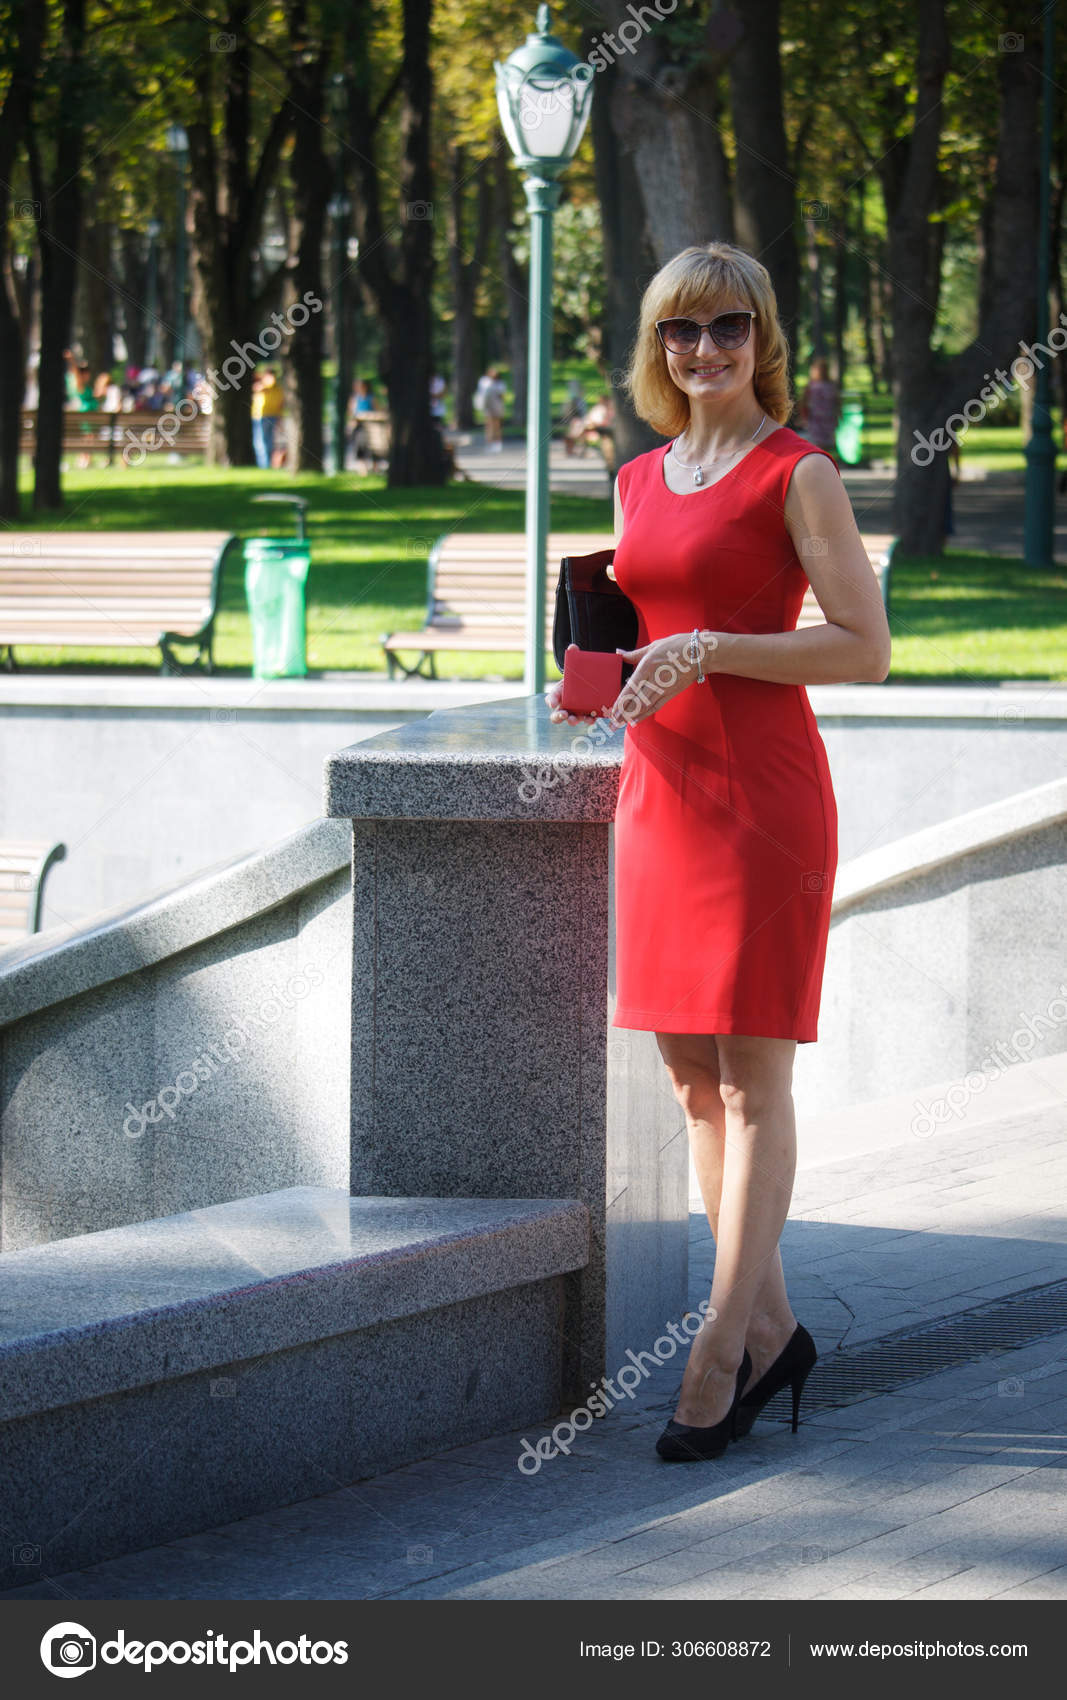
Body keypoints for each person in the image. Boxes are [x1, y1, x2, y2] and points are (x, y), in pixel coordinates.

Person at [545, 240, 891, 1461]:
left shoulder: (798, 474)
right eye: (681, 331)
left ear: (762, 338)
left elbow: (862, 646)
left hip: (760, 802)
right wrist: (604, 677)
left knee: (753, 1084)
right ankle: (777, 1331)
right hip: (661, 791)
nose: (704, 351)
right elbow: (651, 622)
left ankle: (711, 1352)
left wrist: (714, 648)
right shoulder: (638, 477)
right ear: (654, 344)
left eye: (727, 327)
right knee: (692, 1082)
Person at [796, 356, 840, 452]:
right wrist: (804, 416)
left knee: (824, 443)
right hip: (816, 418)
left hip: (827, 417)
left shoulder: (829, 385)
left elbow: (836, 401)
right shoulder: (812, 385)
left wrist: (838, 414)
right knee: (817, 442)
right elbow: (804, 402)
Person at [251, 366, 284, 468]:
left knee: (266, 441)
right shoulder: (262, 385)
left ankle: (266, 464)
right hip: (260, 416)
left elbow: (281, 403)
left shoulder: (276, 387)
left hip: (271, 415)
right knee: (261, 441)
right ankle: (264, 464)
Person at [475, 365, 505, 450]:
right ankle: (489, 442)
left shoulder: (500, 383)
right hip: (488, 407)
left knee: (497, 425)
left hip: (497, 407)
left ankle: (497, 443)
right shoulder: (485, 381)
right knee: (489, 425)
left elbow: (501, 396)